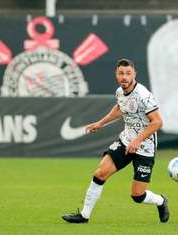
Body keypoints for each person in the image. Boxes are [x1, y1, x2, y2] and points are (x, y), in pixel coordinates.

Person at [61, 58, 169, 223]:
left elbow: (157, 122)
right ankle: (84, 215)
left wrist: (137, 141)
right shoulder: (120, 92)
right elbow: (119, 109)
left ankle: (161, 201)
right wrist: (100, 123)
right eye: (121, 73)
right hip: (126, 141)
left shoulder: (143, 95)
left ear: (134, 74)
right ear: (116, 75)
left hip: (144, 147)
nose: (124, 77)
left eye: (128, 73)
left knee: (137, 195)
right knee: (100, 173)